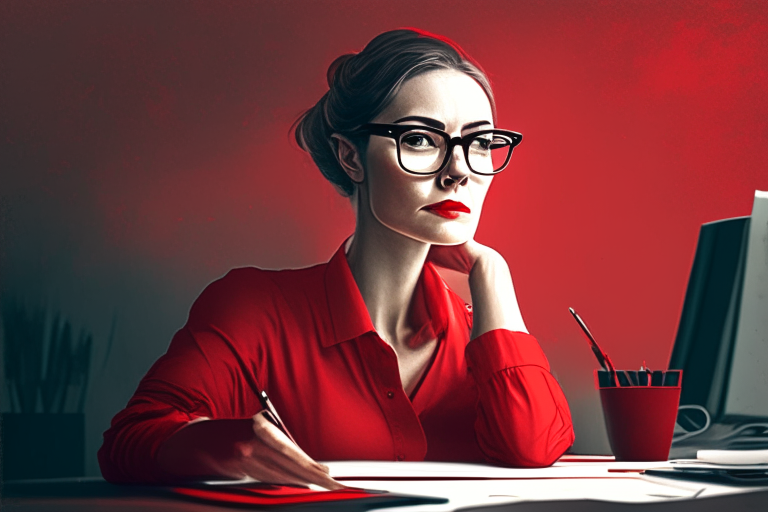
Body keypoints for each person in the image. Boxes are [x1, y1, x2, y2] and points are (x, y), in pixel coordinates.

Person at [98, 28, 574, 489]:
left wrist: (493, 273)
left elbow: (530, 449)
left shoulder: (484, 337)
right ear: (351, 157)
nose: (458, 171)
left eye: (480, 143)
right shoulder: (254, 309)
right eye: (420, 140)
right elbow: (130, 438)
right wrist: (231, 446)